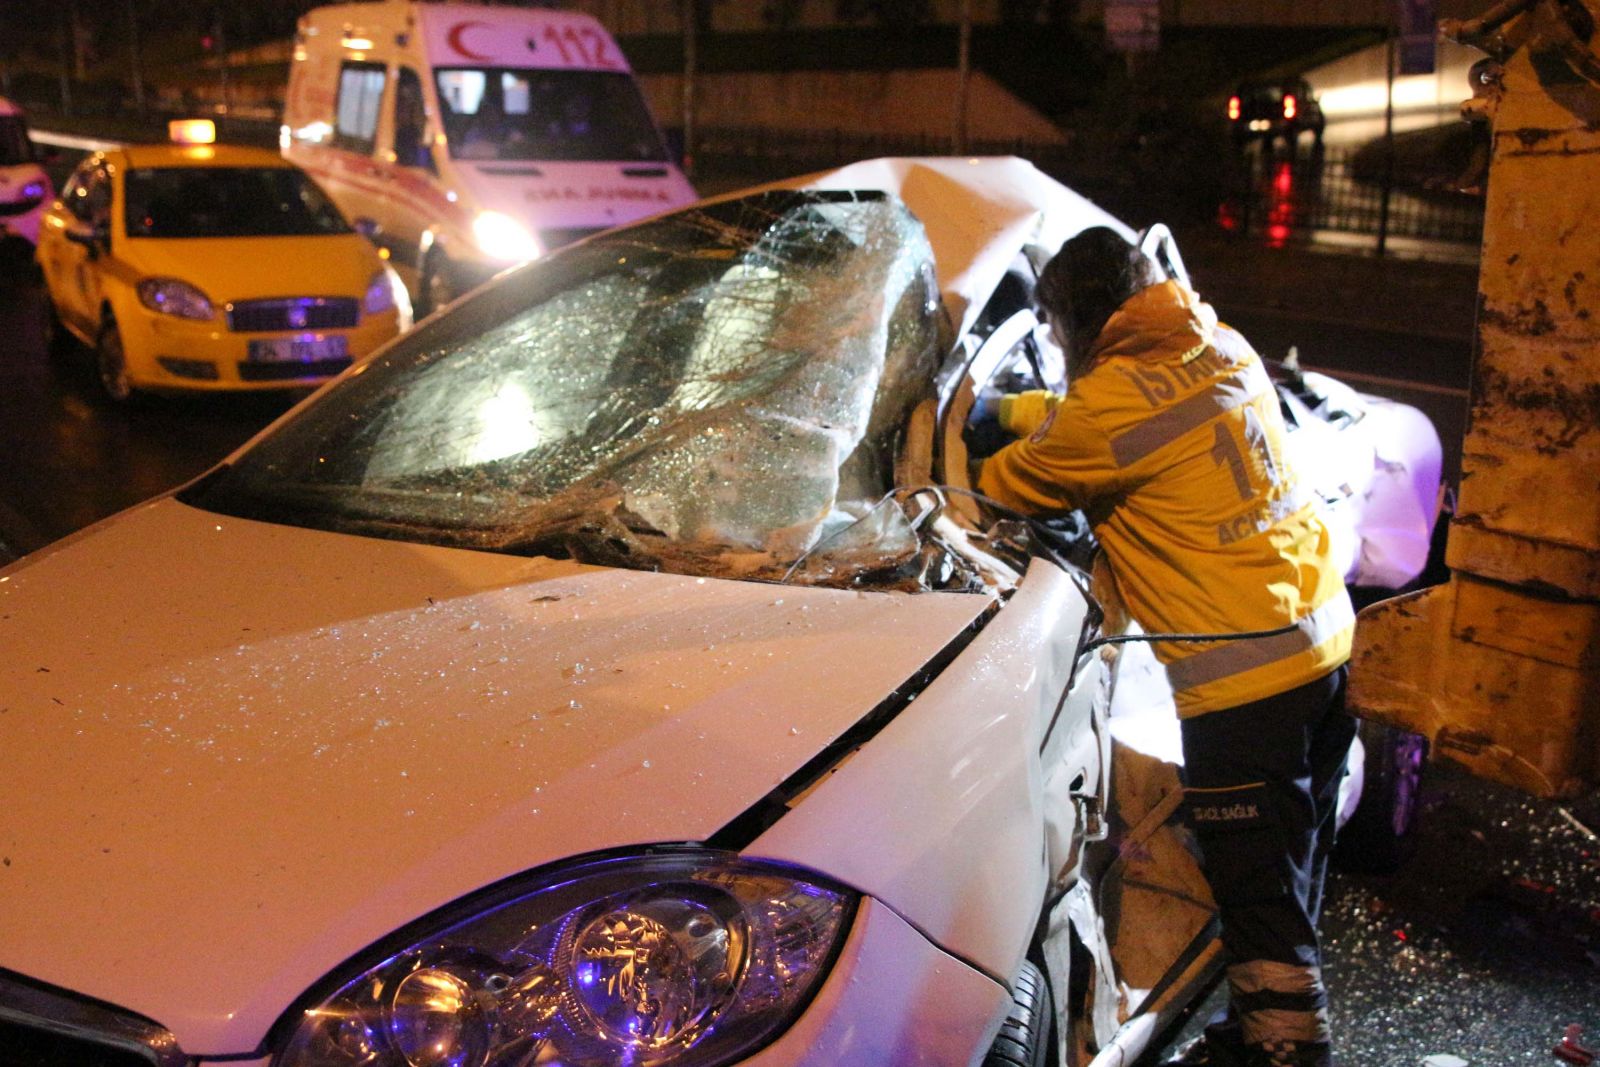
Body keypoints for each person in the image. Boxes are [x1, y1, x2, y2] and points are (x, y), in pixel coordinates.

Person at [976, 227, 1356, 1067]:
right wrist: (1015, 408)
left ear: (1078, 319)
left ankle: (1287, 1054)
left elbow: (1000, 484)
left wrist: (978, 435)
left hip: (1242, 679)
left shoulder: (1109, 408)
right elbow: (1113, 421)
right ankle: (1256, 1026)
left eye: (1055, 327)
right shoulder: (1214, 342)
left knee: (1256, 889)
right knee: (1288, 875)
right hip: (1320, 645)